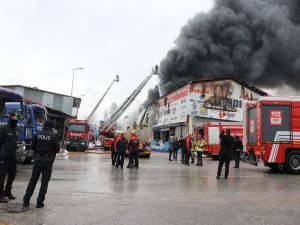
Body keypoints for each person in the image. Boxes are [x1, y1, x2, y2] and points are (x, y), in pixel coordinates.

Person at [23, 120, 60, 208]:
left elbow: (32, 147)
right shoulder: (53, 136)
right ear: (51, 127)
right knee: (44, 183)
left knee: (33, 181)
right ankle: (39, 203)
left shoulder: (38, 134)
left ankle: (26, 200)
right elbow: (57, 150)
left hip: (38, 159)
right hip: (48, 161)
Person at [0, 113, 19, 203]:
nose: (15, 119)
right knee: (2, 176)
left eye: (16, 118)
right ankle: (0, 195)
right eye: (14, 118)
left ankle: (8, 191)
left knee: (12, 174)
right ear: (10, 118)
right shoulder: (4, 129)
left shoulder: (16, 129)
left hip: (12, 156)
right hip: (4, 156)